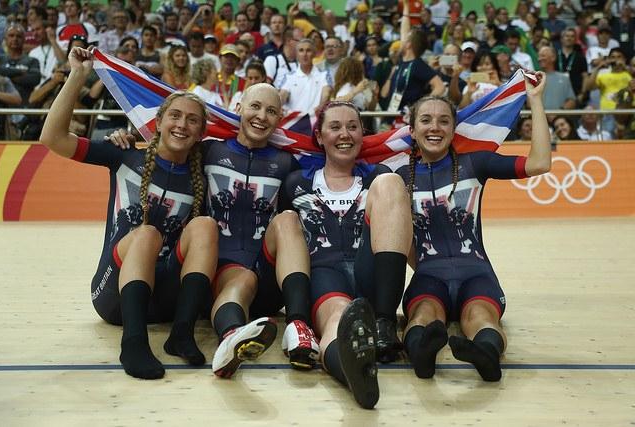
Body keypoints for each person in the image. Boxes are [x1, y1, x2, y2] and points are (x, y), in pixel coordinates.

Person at [109, 83, 320, 377]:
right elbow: (171, 146)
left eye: (271, 111)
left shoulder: (286, 162)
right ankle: (231, 337)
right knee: (241, 278)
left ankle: (298, 325)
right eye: (255, 107)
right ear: (238, 109)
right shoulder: (208, 150)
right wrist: (130, 137)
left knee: (286, 219)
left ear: (280, 119)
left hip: (270, 279)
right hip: (219, 273)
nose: (261, 116)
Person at [39, 46, 219, 380]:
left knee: (206, 225)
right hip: (113, 298)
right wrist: (77, 75)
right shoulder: (124, 155)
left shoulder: (204, 174)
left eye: (192, 119)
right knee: (147, 232)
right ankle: (133, 342)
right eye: (175, 116)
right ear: (158, 121)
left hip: (164, 299)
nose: (182, 124)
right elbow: (52, 138)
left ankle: (181, 334)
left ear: (201, 132)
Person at [395, 71, 551, 382]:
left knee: (479, 316)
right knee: (424, 314)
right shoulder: (397, 177)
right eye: (426, 120)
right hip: (429, 276)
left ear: (454, 129)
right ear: (412, 130)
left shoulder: (475, 162)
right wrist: (420, 264)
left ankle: (487, 357)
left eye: (443, 121)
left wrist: (534, 101)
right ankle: (422, 356)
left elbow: (539, 163)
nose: (435, 127)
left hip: (476, 274)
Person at [281, 101, 413, 408]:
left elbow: (404, 234)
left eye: (353, 127)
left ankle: (383, 322)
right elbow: (284, 240)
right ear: (319, 136)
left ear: (363, 134)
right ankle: (354, 374)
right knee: (338, 319)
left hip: (372, 272)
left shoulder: (377, 177)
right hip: (325, 276)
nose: (345, 134)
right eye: (335, 127)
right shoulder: (295, 183)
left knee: (391, 181)